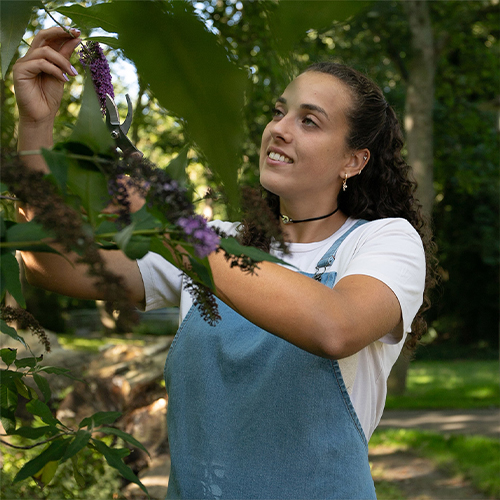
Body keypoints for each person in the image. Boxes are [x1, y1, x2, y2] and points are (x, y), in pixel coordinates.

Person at [14, 27, 436, 499]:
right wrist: (35, 129)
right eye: (280, 112)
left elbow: (334, 327)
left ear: (353, 161)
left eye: (309, 121)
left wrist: (175, 229)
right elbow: (53, 263)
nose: (279, 128)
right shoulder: (219, 243)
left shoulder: (385, 242)